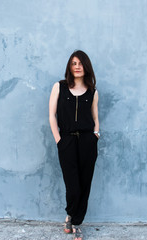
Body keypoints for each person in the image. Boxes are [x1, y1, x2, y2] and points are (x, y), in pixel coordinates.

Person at [49, 50, 99, 240]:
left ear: (86, 67)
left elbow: (95, 117)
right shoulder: (59, 87)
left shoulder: (93, 92)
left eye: (81, 63)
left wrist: (96, 134)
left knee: (85, 183)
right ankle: (71, 213)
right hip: (67, 141)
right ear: (70, 67)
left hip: (88, 142)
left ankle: (76, 222)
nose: (77, 66)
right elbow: (52, 115)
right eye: (74, 63)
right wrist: (59, 140)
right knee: (73, 185)